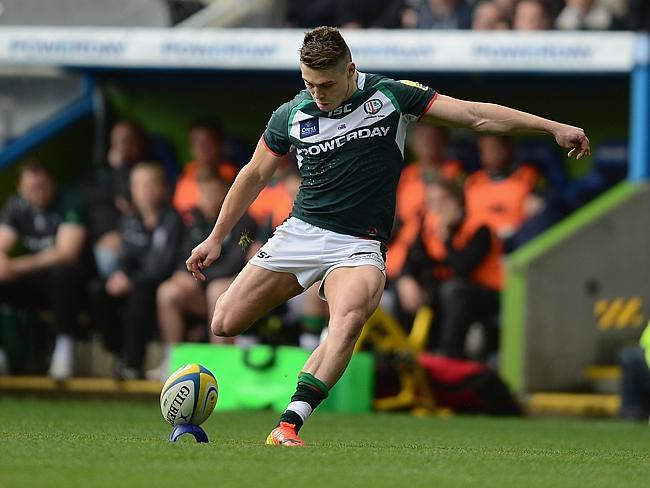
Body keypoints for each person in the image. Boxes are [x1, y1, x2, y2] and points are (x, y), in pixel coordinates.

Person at [186, 26, 590, 447]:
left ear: (350, 70)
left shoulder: (392, 96)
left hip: (358, 245)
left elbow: (475, 115)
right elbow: (253, 174)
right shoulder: (291, 114)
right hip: (301, 233)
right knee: (224, 321)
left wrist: (552, 127)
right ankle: (293, 341)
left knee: (348, 320)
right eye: (307, 83)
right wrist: (217, 237)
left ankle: (288, 423)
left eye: (325, 84)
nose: (316, 93)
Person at [151, 170, 257, 379]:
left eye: (214, 191)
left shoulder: (245, 223)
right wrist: (184, 275)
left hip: (231, 291)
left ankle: (220, 367)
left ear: (227, 193)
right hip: (200, 288)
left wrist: (202, 279)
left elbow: (237, 259)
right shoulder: (191, 220)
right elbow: (182, 254)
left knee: (217, 290)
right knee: (168, 292)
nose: (208, 197)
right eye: (204, 192)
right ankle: (173, 363)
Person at [92, 161, 183, 379]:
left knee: (138, 296)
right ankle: (118, 351)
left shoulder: (173, 220)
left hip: (160, 284)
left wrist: (131, 281)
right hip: (132, 281)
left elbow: (164, 266)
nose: (143, 190)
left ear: (163, 188)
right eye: (138, 185)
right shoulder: (129, 221)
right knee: (97, 291)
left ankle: (132, 364)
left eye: (149, 184)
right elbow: (126, 257)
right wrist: (120, 274)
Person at [0, 160, 89, 379]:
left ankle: (63, 351)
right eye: (31, 188)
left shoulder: (71, 200)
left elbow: (66, 252)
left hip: (74, 284)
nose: (37, 193)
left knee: (62, 273)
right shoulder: (16, 205)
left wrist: (15, 266)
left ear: (52, 183)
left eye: (42, 186)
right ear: (20, 189)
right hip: (32, 283)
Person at [396, 178, 502, 358]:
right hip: (447, 290)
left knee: (453, 290)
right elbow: (412, 260)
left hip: (486, 293)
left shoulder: (479, 226)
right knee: (406, 290)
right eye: (432, 202)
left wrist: (446, 238)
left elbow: (461, 269)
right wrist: (406, 280)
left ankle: (450, 358)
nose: (437, 208)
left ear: (458, 201)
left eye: (443, 200)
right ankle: (405, 356)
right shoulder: (428, 226)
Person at [83, 120, 148, 278]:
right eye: (116, 141)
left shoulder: (143, 172)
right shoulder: (97, 174)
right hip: (97, 243)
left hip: (133, 241)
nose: (120, 146)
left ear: (138, 144)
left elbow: (130, 205)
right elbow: (88, 199)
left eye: (126, 140)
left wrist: (120, 169)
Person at [464, 134, 543, 247]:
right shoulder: (472, 182)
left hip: (518, 242)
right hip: (478, 247)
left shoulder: (528, 175)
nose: (490, 153)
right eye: (484, 149)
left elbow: (540, 211)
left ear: (507, 147)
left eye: (494, 147)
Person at [172, 120, 238, 219]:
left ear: (219, 144)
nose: (202, 147)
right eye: (196, 142)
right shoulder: (187, 172)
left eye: (207, 142)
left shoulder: (231, 174)